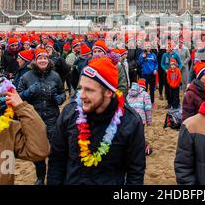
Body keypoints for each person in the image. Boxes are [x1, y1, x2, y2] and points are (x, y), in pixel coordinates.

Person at [47, 57, 146, 185]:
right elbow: (56, 159)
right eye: (81, 88)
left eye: (89, 90)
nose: (81, 95)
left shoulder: (130, 122)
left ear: (109, 92)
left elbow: (135, 172)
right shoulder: (69, 113)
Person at [17, 48, 65, 185]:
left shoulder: (55, 76)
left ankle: (54, 177)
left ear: (48, 60)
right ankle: (40, 176)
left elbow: (62, 93)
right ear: (35, 61)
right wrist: (27, 93)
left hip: (52, 117)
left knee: (55, 149)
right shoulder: (26, 76)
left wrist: (59, 99)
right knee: (37, 149)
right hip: (34, 118)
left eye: (45, 58)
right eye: (40, 58)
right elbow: (18, 95)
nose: (42, 60)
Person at [126, 79, 153, 155]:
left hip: (130, 118)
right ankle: (142, 149)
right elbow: (148, 108)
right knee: (140, 134)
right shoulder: (145, 94)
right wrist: (149, 120)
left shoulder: (128, 94)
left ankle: (131, 149)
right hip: (140, 118)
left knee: (132, 134)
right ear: (144, 87)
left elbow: (126, 106)